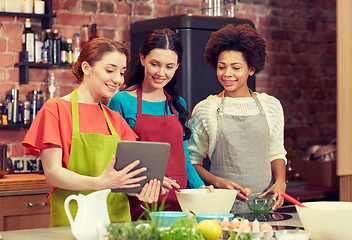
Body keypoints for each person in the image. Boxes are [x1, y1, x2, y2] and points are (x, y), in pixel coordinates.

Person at [22, 38, 176, 227]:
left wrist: (144, 185)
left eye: (121, 72)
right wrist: (101, 182)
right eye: (110, 70)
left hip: (116, 222)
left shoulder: (115, 119)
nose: (118, 80)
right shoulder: (56, 109)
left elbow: (123, 179)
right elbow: (53, 173)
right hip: (74, 220)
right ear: (86, 68)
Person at [108, 28, 213, 220]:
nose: (161, 73)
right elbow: (114, 159)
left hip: (178, 200)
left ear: (177, 66)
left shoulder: (177, 104)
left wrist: (201, 188)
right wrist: (145, 182)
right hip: (139, 198)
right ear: (142, 59)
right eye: (155, 64)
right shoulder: (121, 101)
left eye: (169, 66)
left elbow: (184, 160)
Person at [188, 24, 287, 213]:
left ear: (251, 69)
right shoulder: (206, 109)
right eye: (221, 67)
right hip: (221, 209)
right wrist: (218, 182)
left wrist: (280, 183)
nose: (227, 74)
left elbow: (276, 152)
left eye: (236, 67)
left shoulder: (271, 106)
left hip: (265, 207)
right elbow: (192, 161)